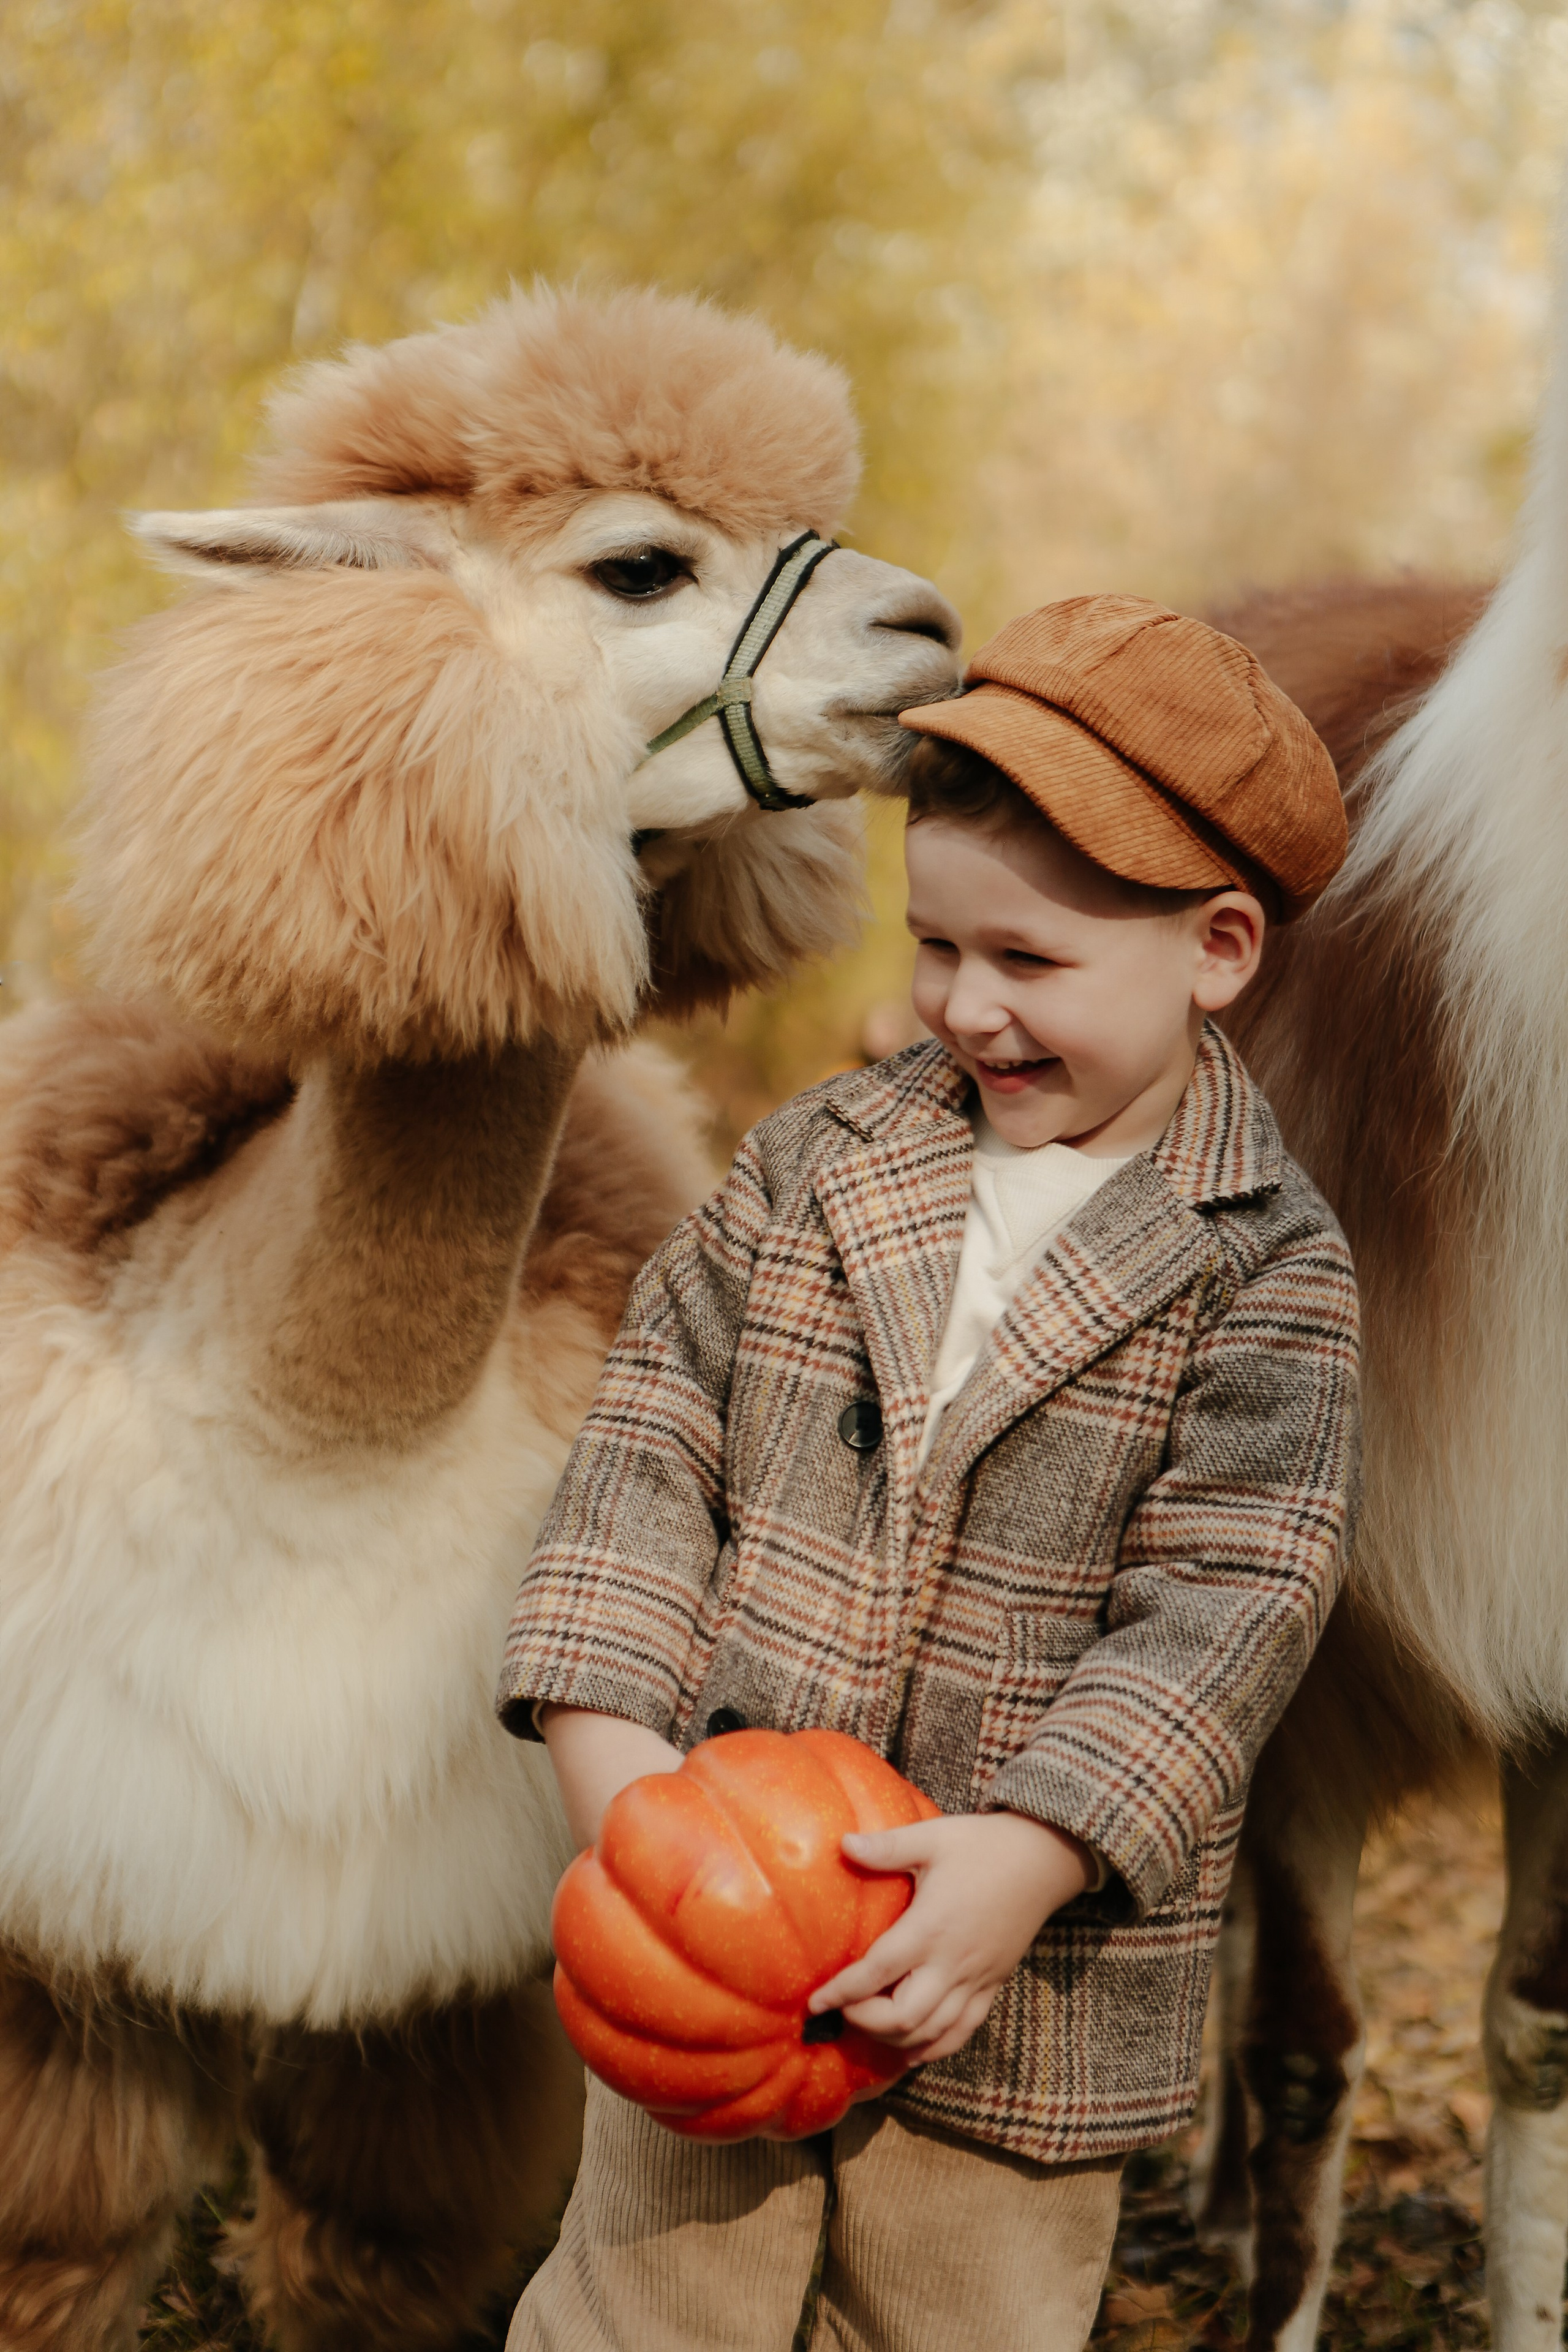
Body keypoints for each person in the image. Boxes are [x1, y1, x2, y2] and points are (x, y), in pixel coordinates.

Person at [496, 594, 1362, 2352]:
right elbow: (656, 1433)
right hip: (716, 1921)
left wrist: (1041, 1851)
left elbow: (1229, 1606)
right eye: (935, 945)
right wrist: (617, 1760)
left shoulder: (1266, 1269)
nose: (965, 1007)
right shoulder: (818, 1160)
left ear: (1216, 952)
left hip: (1014, 1987)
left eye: (1030, 963)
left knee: (959, 2319)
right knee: (639, 2316)